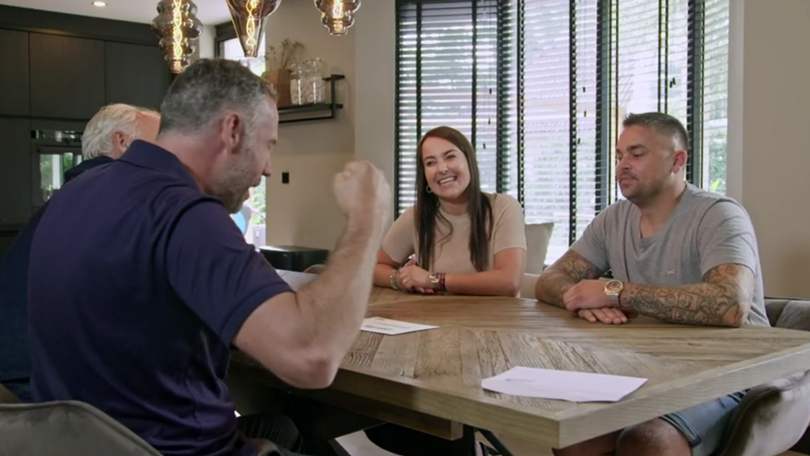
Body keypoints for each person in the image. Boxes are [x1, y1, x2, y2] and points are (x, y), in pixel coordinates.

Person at [27, 59, 391, 456]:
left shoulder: (73, 193)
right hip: (181, 451)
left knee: (289, 431)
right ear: (232, 130)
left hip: (82, 445)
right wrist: (366, 220)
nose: (268, 168)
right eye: (268, 145)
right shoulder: (182, 211)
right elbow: (312, 356)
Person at [535, 112, 768, 456]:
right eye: (619, 155)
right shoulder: (612, 220)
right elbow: (549, 280)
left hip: (731, 371)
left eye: (637, 154)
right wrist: (585, 300)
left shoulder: (720, 215)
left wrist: (615, 293)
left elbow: (729, 303)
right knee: (573, 434)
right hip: (651, 367)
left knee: (645, 441)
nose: (623, 165)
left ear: (678, 160)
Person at [0, 103, 160, 401]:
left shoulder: (75, 195)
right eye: (158, 145)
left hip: (18, 368)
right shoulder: (118, 195)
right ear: (122, 142)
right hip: (43, 387)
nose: (169, 157)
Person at [373, 126, 526, 296]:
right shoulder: (415, 216)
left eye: (450, 157)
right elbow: (374, 267)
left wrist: (434, 280)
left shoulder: (504, 207)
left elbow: (509, 281)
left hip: (496, 320)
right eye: (430, 163)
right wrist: (399, 279)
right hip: (433, 318)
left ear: (469, 160)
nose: (442, 169)